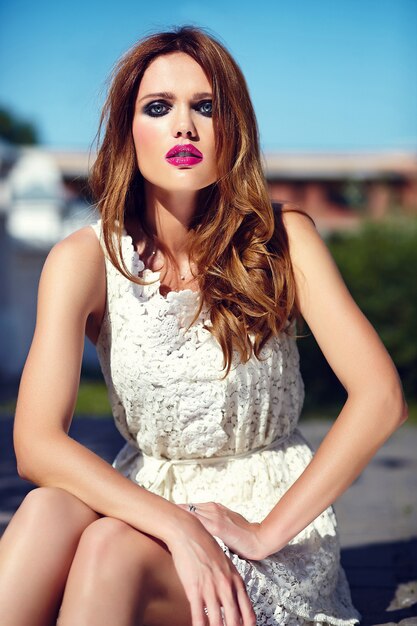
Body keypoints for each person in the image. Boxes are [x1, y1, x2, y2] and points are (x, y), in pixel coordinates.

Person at [0, 24, 408, 626]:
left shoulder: (282, 239)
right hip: (145, 507)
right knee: (44, 512)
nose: (184, 126)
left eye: (206, 107)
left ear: (232, 128)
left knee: (107, 551)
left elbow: (381, 398)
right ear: (127, 132)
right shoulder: (83, 261)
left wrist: (268, 532)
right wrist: (174, 524)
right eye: (158, 107)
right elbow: (36, 446)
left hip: (265, 530)